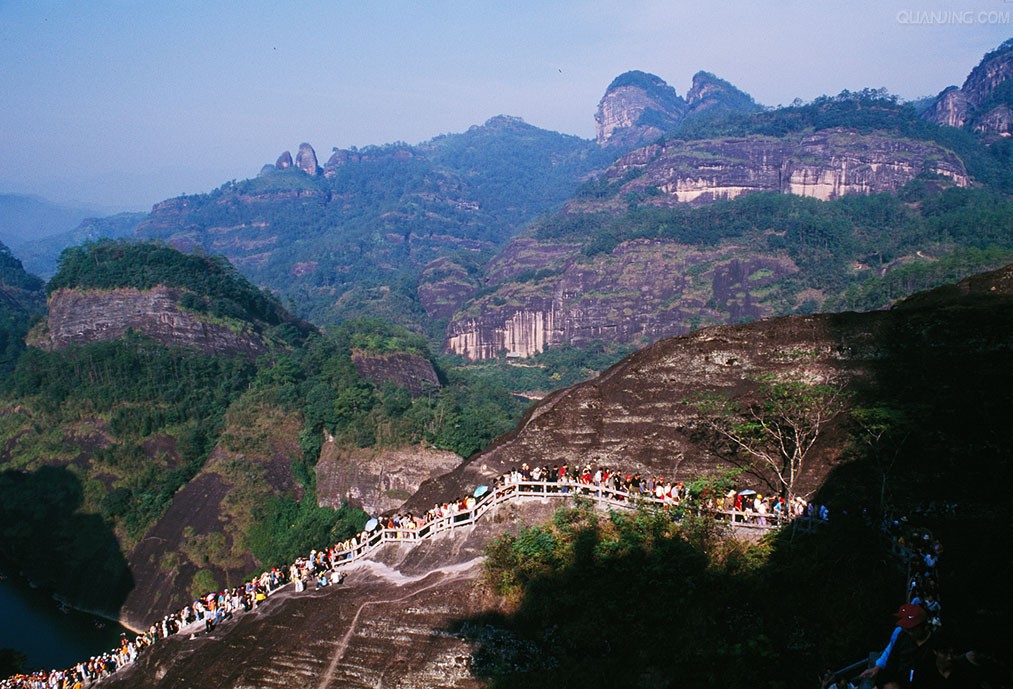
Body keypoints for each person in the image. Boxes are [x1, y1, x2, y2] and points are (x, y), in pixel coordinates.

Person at [859, 603, 936, 688]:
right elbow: (891, 659)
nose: (909, 632)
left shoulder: (934, 643)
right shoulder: (902, 636)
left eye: (912, 629)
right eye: (907, 629)